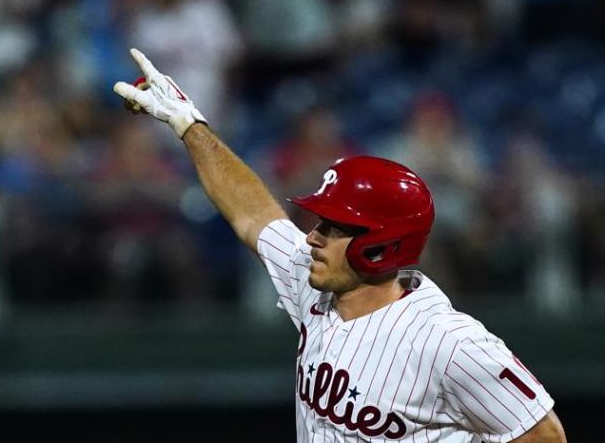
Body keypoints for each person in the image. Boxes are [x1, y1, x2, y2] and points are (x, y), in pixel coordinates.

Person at [113, 48, 567, 443]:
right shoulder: (316, 281)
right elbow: (253, 213)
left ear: (381, 244)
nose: (313, 236)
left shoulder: (449, 342)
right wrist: (191, 126)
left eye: (333, 227)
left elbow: (544, 434)